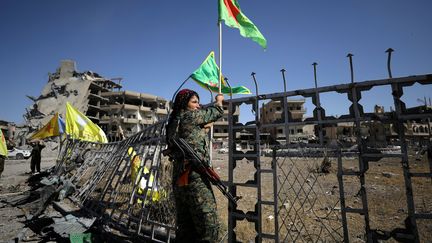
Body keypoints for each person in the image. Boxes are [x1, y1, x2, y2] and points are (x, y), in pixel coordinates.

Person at [166, 89, 224, 242]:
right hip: (195, 176)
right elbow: (217, 111)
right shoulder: (189, 116)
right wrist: (219, 100)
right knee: (208, 224)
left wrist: (204, 128)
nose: (198, 106)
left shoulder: (173, 122)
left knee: (186, 224)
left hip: (179, 179)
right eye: (194, 102)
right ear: (184, 104)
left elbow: (190, 135)